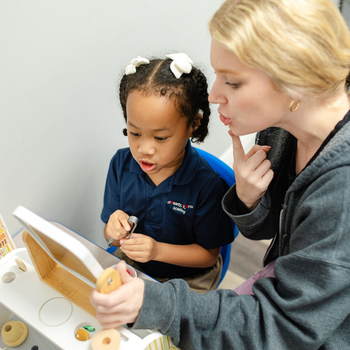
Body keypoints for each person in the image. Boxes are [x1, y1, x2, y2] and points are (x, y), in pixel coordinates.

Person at [91, 0, 350, 348]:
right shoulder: (281, 129)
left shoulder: (341, 193)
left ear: (294, 79)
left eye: (232, 82)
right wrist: (248, 197)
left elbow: (280, 326)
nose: (213, 96)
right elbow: (274, 232)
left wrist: (155, 303)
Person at [101, 53, 234, 294]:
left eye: (160, 138)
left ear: (193, 124)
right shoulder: (121, 164)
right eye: (134, 133)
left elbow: (208, 256)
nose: (144, 149)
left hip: (189, 280)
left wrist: (157, 251)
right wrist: (112, 231)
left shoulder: (208, 186)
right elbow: (110, 238)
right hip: (134, 266)